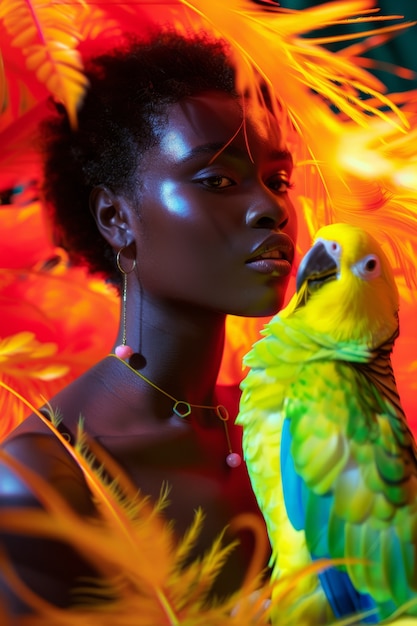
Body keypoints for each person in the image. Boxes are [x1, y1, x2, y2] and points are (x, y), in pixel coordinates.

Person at [0, 29, 297, 615]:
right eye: (217, 180)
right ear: (116, 217)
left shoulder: (294, 424)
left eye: (277, 179)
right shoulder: (42, 481)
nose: (271, 207)